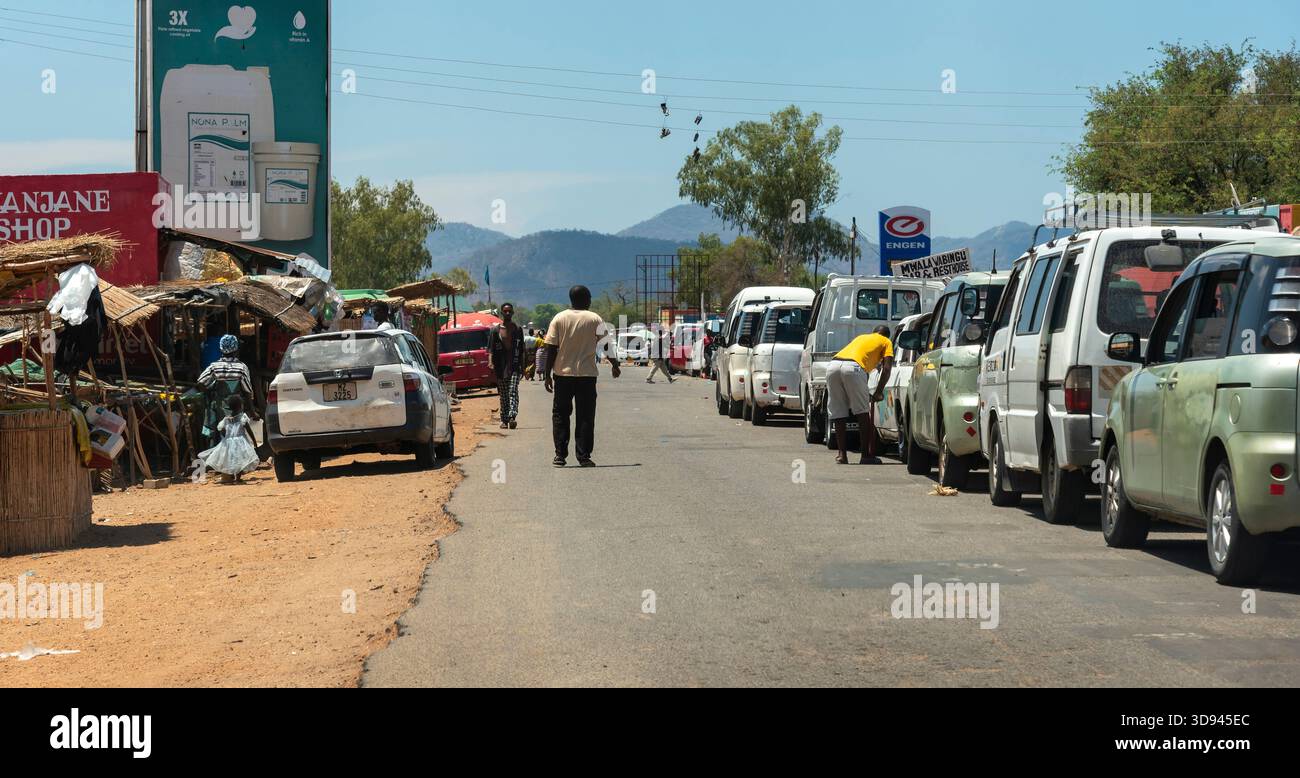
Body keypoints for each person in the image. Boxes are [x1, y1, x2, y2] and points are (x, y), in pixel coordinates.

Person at [544, 285, 620, 467]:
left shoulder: (559, 318)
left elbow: (551, 348)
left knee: (561, 414)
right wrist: (615, 364)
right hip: (587, 376)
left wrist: (547, 374)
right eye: (590, 297)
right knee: (585, 416)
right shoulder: (595, 318)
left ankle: (560, 455)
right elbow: (606, 345)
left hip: (563, 374)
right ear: (585, 299)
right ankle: (583, 456)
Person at [825, 325, 894, 465]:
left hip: (833, 365)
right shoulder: (886, 342)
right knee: (862, 413)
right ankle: (866, 455)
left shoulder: (862, 337)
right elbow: (887, 369)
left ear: (873, 332)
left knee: (839, 413)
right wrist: (879, 392)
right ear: (886, 335)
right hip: (854, 368)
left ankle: (842, 455)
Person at [197, 334, 254, 447]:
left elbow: (201, 382)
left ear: (221, 349)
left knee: (216, 433)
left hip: (218, 408)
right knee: (237, 435)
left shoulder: (214, 366)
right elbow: (247, 391)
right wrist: (252, 410)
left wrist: (210, 391)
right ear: (236, 349)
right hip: (236, 409)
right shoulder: (242, 368)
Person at [197, 395, 260, 483]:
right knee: (240, 459)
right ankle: (238, 478)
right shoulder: (243, 417)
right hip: (240, 442)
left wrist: (227, 438)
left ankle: (231, 477)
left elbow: (221, 430)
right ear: (240, 406)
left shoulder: (226, 419)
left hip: (228, 442)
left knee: (230, 459)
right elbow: (249, 430)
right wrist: (254, 441)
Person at [489, 302, 525, 429]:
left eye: (510, 311)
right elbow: (491, 350)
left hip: (514, 366)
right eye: (505, 311)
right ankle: (504, 419)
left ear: (513, 313)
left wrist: (523, 366)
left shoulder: (518, 330)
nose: (508, 313)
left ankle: (512, 417)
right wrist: (490, 362)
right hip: (500, 366)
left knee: (513, 391)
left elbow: (521, 350)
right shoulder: (495, 331)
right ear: (502, 313)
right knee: (504, 394)